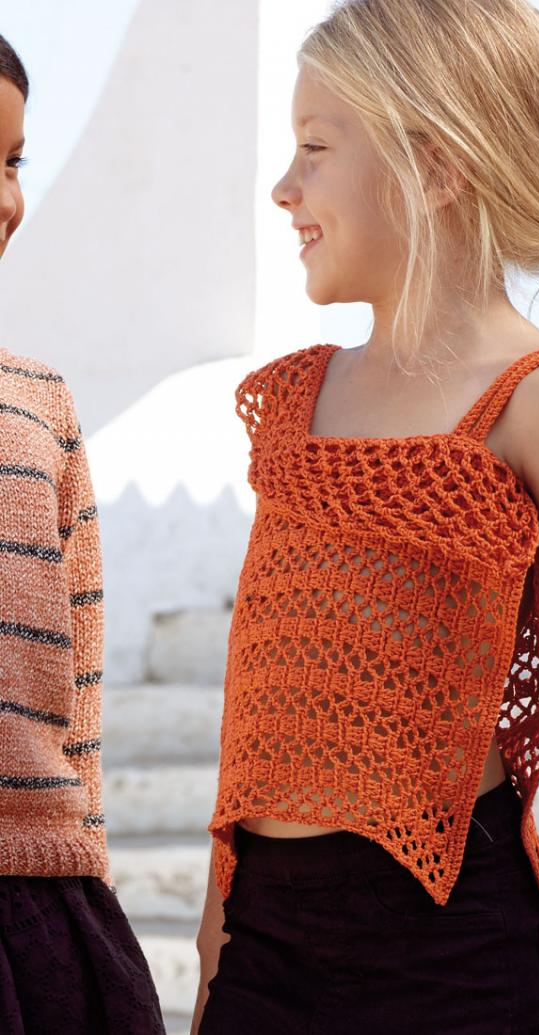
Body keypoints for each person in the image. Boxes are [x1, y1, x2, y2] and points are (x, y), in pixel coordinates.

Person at [193, 2, 539, 1033]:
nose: (284, 187)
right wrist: (215, 934)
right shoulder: (297, 400)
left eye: (315, 148)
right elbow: (261, 700)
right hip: (266, 940)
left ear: (437, 166)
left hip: (450, 950)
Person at [0, 32, 165, 1034]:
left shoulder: (42, 408)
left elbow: (83, 689)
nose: (5, 199)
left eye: (13, 161)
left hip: (39, 910)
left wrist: (83, 853)